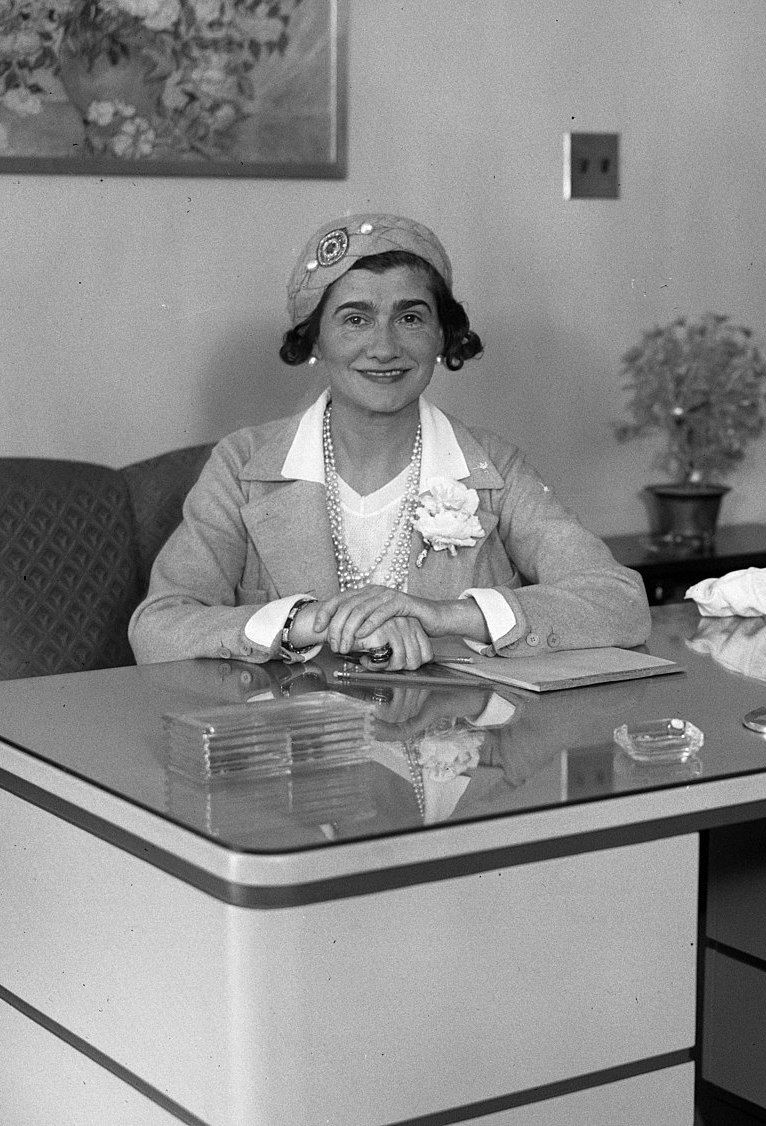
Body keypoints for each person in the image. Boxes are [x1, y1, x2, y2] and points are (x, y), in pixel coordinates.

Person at [129, 213, 651, 671]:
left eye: (410, 317)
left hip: (457, 754)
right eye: (355, 319)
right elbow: (158, 626)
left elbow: (620, 602)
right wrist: (309, 623)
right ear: (314, 340)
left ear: (443, 337)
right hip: (303, 759)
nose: (384, 347)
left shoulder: (495, 466)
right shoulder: (242, 465)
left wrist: (445, 617)